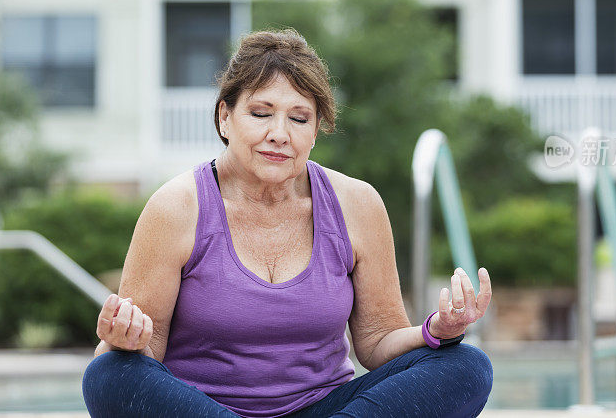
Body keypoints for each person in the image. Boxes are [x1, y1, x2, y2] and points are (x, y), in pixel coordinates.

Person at [81, 29, 494, 418]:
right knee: (108, 375)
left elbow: (376, 342)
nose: (279, 134)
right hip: (207, 409)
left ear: (316, 130)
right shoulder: (175, 208)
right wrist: (121, 340)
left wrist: (436, 329)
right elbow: (145, 350)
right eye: (261, 113)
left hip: (326, 407)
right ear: (225, 117)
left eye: (299, 118)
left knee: (467, 365)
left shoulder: (358, 204)